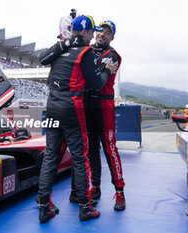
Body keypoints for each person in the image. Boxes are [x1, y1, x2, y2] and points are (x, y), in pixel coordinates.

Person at [37, 15, 119, 223]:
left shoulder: (59, 49)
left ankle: (44, 206)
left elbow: (42, 58)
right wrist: (105, 71)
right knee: (81, 156)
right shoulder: (85, 52)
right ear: (83, 32)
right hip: (72, 107)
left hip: (51, 106)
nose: (93, 36)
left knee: (50, 157)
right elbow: (96, 84)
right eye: (91, 32)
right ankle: (84, 206)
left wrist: (65, 43)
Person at [80, 20, 126, 211]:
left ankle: (120, 192)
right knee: (91, 149)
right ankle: (96, 187)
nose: (102, 34)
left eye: (107, 32)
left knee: (109, 148)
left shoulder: (113, 56)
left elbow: (97, 77)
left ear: (112, 37)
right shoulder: (87, 50)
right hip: (87, 104)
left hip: (104, 104)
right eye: (100, 31)